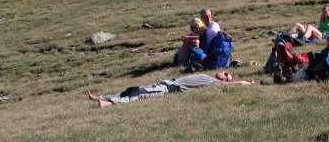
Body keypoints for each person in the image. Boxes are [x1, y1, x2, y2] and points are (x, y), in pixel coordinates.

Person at [87, 72, 255, 108]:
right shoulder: (210, 77)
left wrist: (248, 82)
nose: (224, 72)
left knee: (137, 94)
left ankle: (107, 103)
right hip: (167, 83)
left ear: (224, 80)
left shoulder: (215, 84)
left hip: (169, 89)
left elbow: (237, 84)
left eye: (226, 74)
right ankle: (101, 98)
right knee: (133, 89)